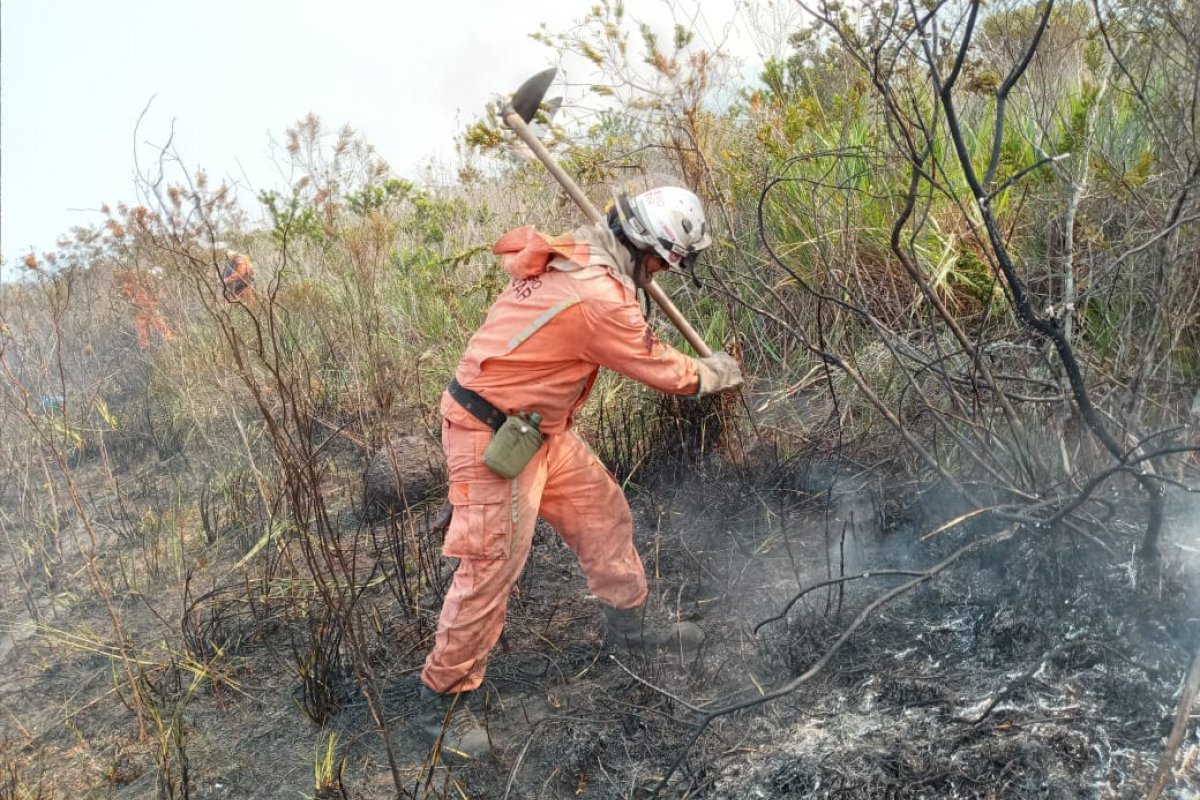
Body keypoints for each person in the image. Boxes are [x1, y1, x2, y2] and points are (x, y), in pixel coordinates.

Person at [413, 186, 743, 763]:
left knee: (603, 514)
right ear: (647, 249)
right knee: (491, 564)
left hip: (535, 427)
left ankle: (631, 630)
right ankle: (443, 701)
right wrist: (713, 372)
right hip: (491, 432)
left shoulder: (585, 252)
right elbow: (664, 369)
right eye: (664, 262)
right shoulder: (597, 296)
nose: (663, 273)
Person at [116, 269, 173, 348]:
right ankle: (148, 348)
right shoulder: (134, 281)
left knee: (158, 329)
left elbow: (128, 295)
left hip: (147, 309)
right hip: (143, 310)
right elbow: (128, 295)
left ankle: (169, 343)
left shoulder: (140, 280)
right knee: (149, 332)